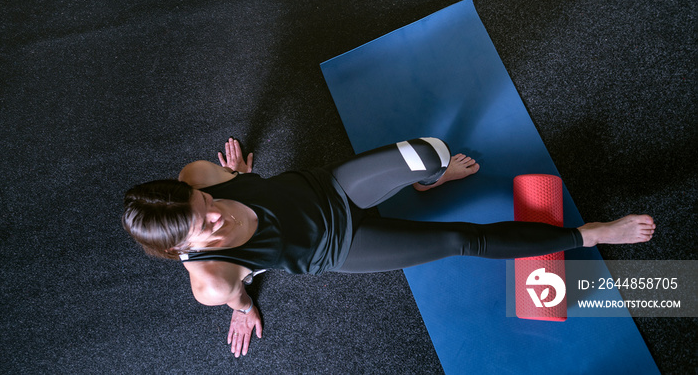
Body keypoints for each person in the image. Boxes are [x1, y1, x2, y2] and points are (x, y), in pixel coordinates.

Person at [122, 137, 655, 357]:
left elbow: (223, 180)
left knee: (428, 152)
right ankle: (592, 232)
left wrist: (237, 175)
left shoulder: (198, 175)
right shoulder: (210, 281)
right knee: (458, 240)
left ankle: (428, 183)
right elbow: (233, 292)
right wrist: (241, 306)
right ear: (180, 251)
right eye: (201, 226)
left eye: (200, 200)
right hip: (340, 245)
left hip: (327, 187)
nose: (214, 213)